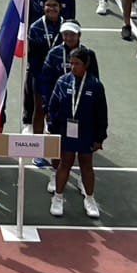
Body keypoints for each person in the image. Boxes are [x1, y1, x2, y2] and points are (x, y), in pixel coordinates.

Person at [47, 46, 107, 220]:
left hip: (86, 132)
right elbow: (53, 107)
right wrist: (53, 128)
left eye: (77, 64)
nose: (73, 67)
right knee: (64, 163)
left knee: (86, 166)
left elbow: (102, 113)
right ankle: (58, 198)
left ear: (86, 64)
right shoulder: (63, 81)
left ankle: (90, 199)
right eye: (71, 63)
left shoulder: (95, 85)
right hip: (66, 131)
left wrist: (99, 137)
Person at [27, 0, 65, 136]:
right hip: (41, 76)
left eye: (55, 5)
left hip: (61, 76)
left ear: (60, 7)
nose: (51, 8)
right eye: (48, 5)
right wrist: (40, 76)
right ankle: (37, 142)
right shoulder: (36, 28)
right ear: (43, 7)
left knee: (62, 109)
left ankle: (60, 141)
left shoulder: (66, 27)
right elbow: (32, 57)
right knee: (40, 109)